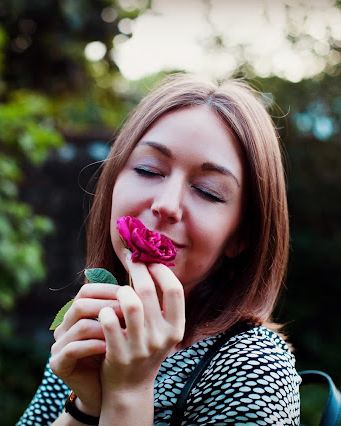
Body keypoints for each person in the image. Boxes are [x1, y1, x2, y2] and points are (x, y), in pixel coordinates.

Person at [17, 73, 301, 425]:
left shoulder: (251, 365)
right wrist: (86, 408)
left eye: (209, 191)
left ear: (239, 237)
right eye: (149, 169)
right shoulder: (91, 324)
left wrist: (129, 390)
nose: (167, 204)